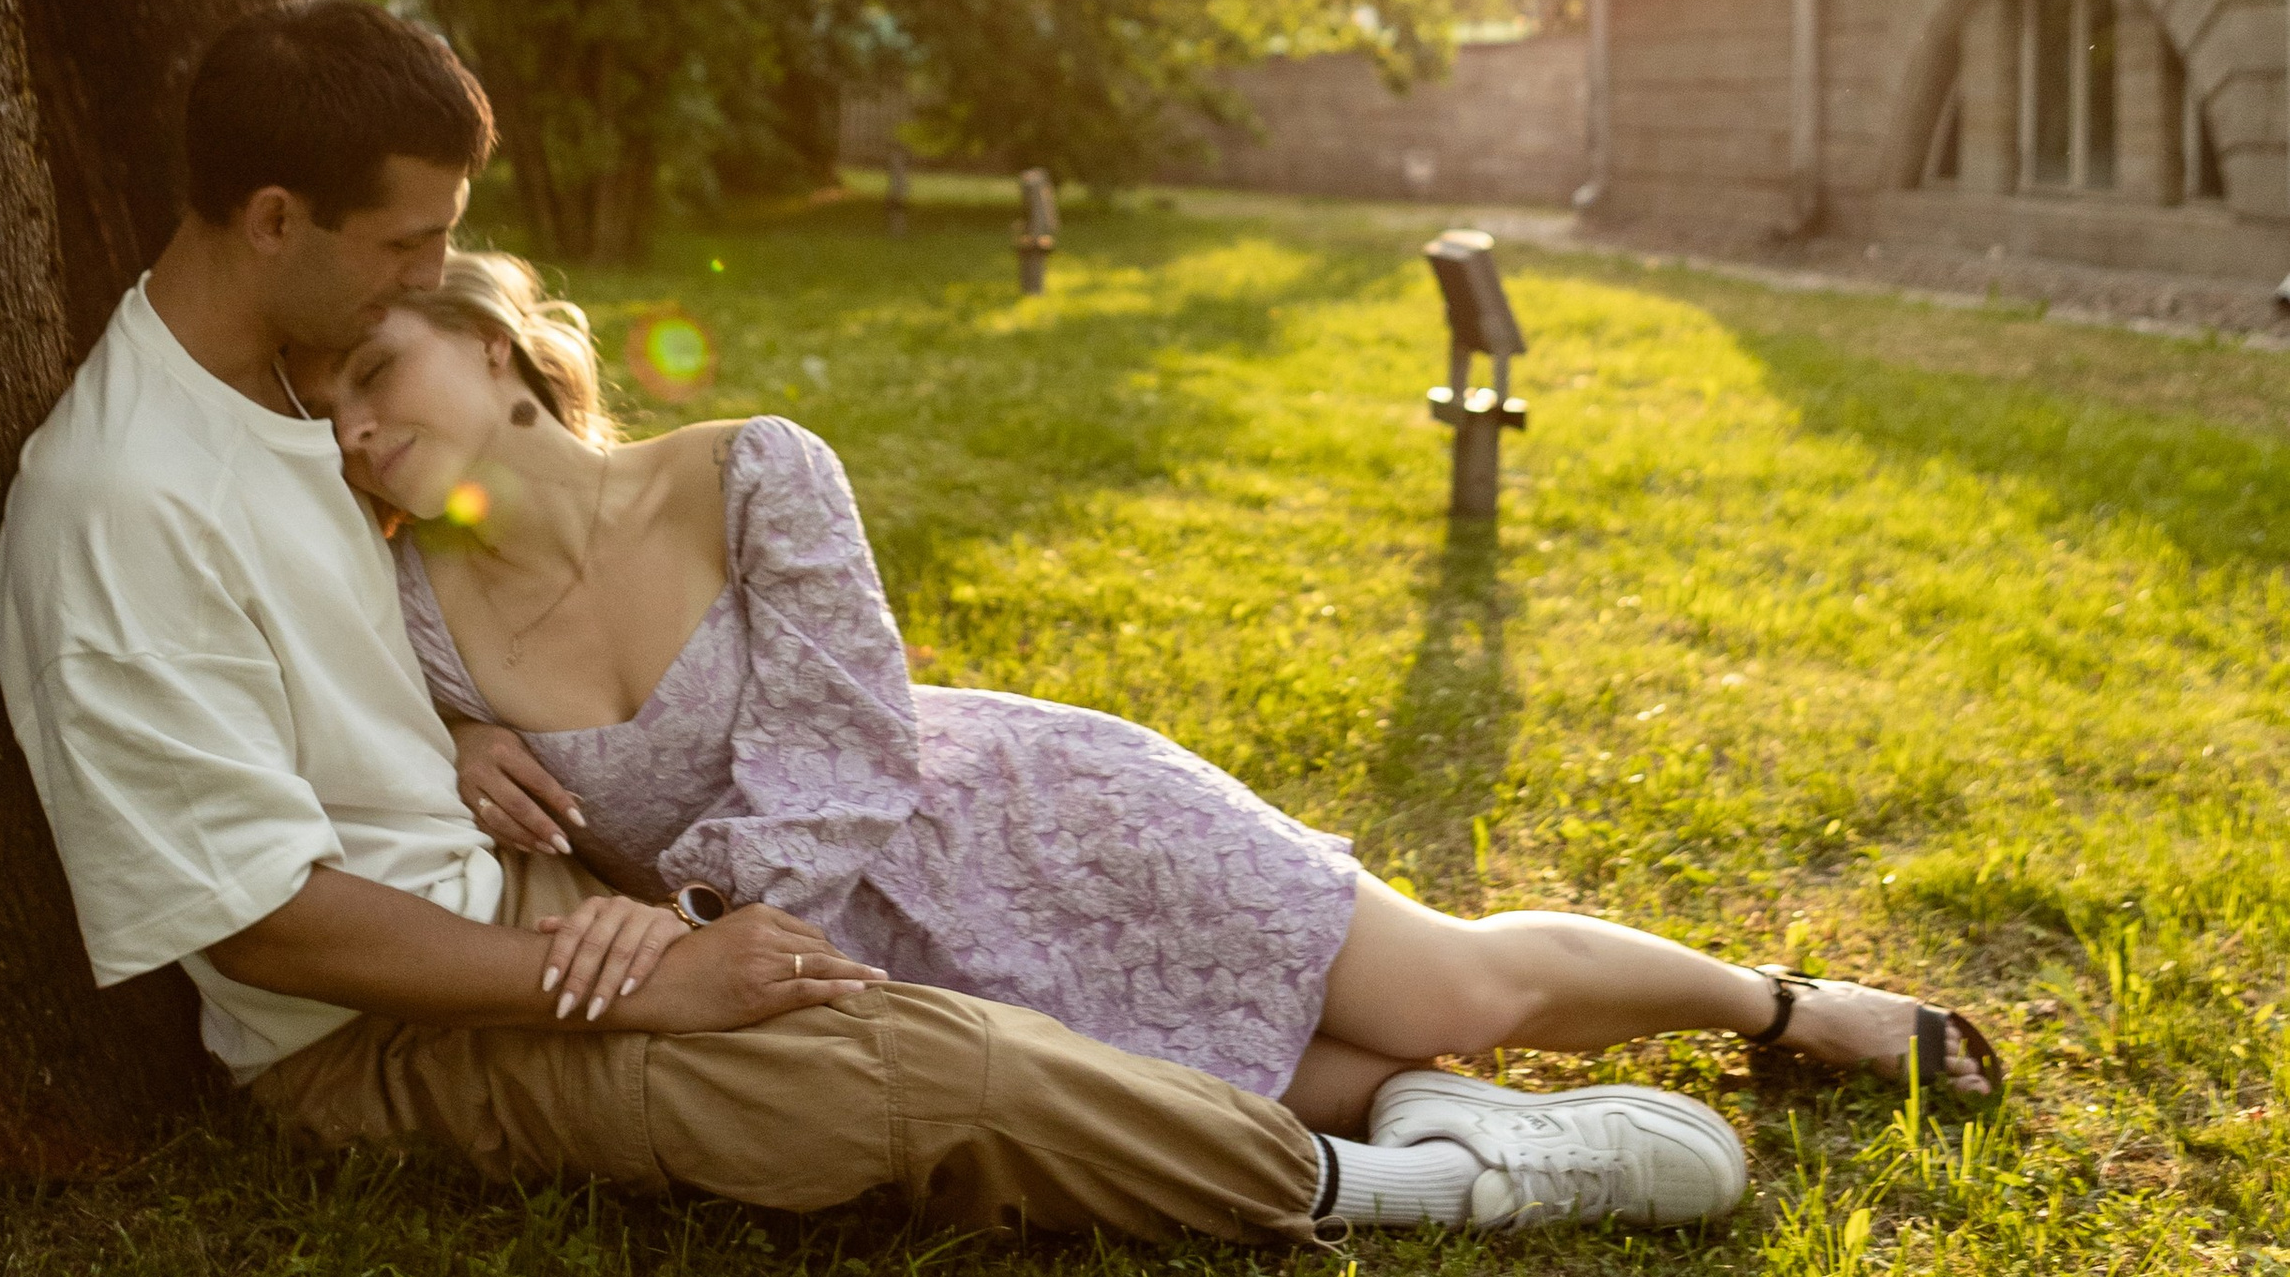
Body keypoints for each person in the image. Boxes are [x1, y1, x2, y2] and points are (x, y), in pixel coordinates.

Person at [0, 0, 1761, 1251]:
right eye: (404, 247)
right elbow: (268, 926)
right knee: (916, 1075)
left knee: (907, 993)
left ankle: (1473, 1079)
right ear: (278, 220)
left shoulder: (309, 404)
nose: (432, 281)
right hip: (380, 1025)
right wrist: (631, 976)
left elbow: (362, 655)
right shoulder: (120, 500)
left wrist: (457, 742)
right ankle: (1412, 1180)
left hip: (531, 900)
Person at [327, 247, 2005, 1144]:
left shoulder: (752, 469)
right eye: (326, 413)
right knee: (1291, 1094)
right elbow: (359, 740)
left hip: (1028, 817)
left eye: (373, 375)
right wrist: (462, 729)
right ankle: (1573, 1146)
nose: (353, 429)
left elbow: (847, 748)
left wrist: (682, 918)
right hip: (863, 971)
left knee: (1450, 993)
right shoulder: (413, 620)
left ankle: (1788, 1010)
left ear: (490, 345)